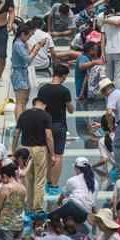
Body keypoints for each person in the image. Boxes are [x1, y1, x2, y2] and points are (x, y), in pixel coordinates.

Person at [37, 63, 75, 194]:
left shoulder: (42, 89)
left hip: (44, 125)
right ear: (64, 76)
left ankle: (47, 182)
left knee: (48, 154)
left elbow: (39, 107)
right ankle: (54, 186)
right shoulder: (64, 91)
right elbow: (70, 110)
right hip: (59, 125)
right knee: (57, 156)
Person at [12, 96, 55, 210]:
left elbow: (16, 134)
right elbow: (49, 136)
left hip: (25, 149)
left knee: (29, 180)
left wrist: (14, 151)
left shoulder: (24, 114)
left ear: (33, 103)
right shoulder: (46, 115)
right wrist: (52, 154)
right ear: (44, 105)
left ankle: (30, 207)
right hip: (39, 149)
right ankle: (37, 208)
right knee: (40, 180)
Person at [48, 156, 97, 223]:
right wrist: (95, 217)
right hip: (84, 215)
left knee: (50, 217)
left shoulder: (73, 180)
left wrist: (59, 201)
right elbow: (93, 203)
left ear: (77, 168)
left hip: (73, 207)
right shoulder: (95, 182)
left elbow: (63, 194)